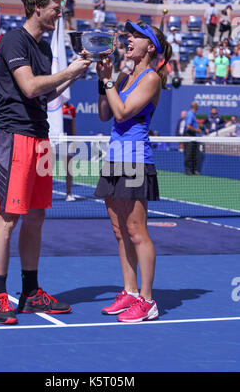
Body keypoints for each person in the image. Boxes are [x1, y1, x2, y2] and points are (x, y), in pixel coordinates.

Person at [0, 0, 91, 325]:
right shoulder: (14, 39)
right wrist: (67, 71)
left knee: (36, 217)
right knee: (8, 218)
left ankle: (30, 293)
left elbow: (44, 96)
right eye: (55, 7)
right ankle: (0, 297)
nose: (59, 12)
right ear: (37, 8)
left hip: (39, 137)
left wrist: (74, 75)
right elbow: (30, 86)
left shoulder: (44, 48)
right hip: (13, 136)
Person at [94, 20, 172, 322]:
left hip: (136, 161)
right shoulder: (125, 76)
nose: (129, 39)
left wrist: (110, 82)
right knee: (119, 231)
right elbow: (105, 113)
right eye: (129, 35)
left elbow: (123, 112)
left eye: (136, 37)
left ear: (149, 47)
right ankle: (129, 291)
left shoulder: (151, 78)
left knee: (138, 232)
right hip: (114, 158)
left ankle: (148, 300)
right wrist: (104, 81)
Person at [62, 101, 77, 201]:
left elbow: (73, 126)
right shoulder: (53, 108)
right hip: (54, 139)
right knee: (47, 168)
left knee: (68, 168)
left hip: (68, 141)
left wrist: (74, 141)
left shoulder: (71, 109)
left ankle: (68, 193)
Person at [184, 101, 201, 175]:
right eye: (197, 106)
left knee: (194, 153)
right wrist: (196, 130)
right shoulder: (190, 114)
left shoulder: (193, 114)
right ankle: (188, 170)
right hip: (189, 135)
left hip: (193, 136)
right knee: (189, 153)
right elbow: (188, 126)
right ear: (195, 107)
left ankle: (194, 170)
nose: (198, 107)